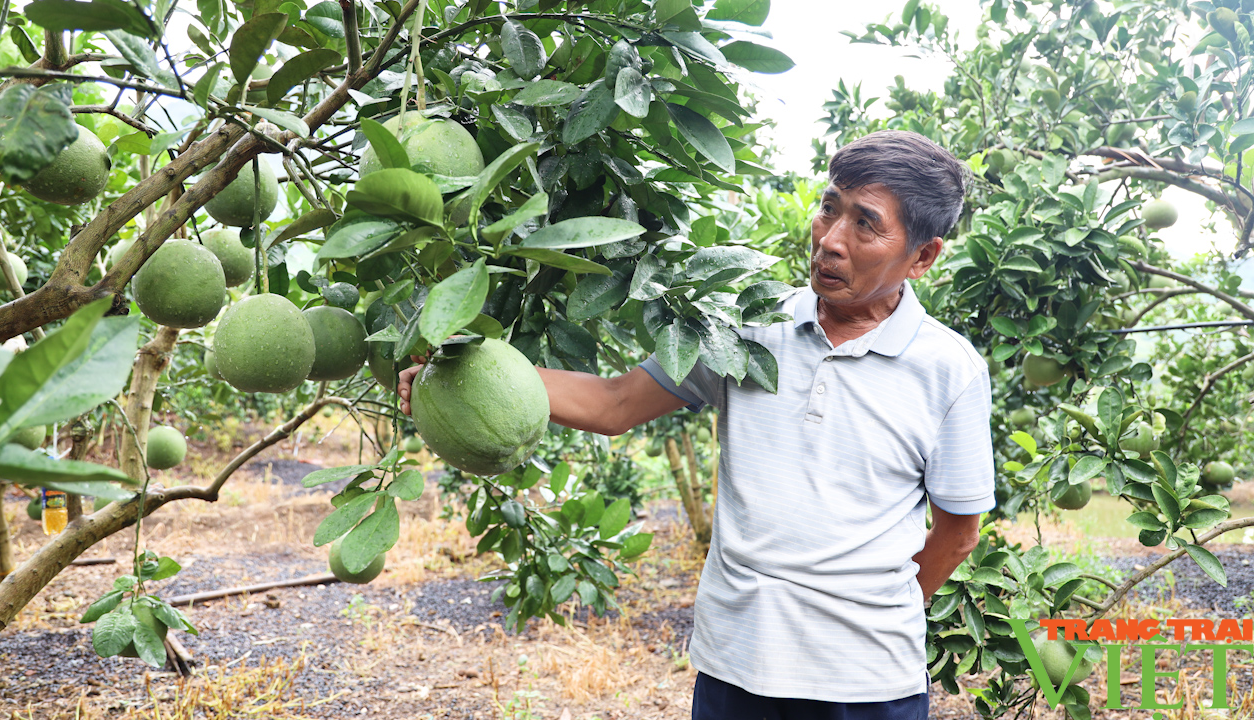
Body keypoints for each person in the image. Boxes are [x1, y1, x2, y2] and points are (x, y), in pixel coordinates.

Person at [396, 130, 995, 720]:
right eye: (828, 208)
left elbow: (958, 533)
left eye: (865, 223)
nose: (830, 239)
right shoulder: (750, 329)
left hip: (867, 683)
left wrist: (869, 612)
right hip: (736, 665)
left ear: (923, 256)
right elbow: (614, 405)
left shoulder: (949, 371)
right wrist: (464, 370)